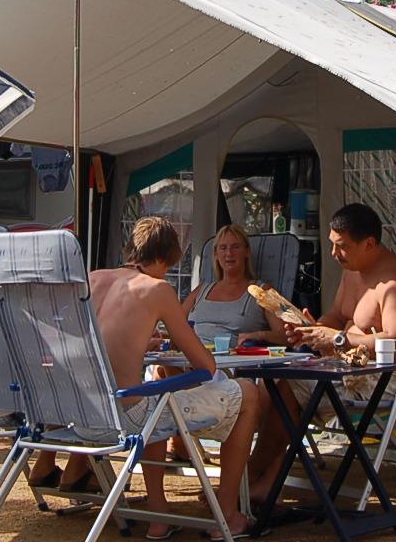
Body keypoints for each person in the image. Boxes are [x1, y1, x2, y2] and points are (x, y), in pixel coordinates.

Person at [28, 216, 263, 540]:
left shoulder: (93, 279)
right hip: (128, 418)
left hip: (82, 416)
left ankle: (159, 516)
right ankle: (228, 515)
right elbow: (205, 365)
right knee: (247, 393)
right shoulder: (157, 289)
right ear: (165, 258)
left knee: (153, 395)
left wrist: (138, 342)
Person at [285, 202, 396, 360]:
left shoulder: (394, 284)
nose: (333, 252)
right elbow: (337, 316)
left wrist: (338, 339)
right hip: (341, 366)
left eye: (342, 246)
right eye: (332, 244)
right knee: (276, 372)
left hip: (382, 372)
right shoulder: (351, 270)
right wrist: (314, 331)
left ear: (369, 244)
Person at [183, 225, 287, 347]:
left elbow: (287, 335)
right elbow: (173, 325)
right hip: (191, 355)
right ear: (216, 254)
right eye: (223, 248)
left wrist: (260, 335)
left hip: (232, 357)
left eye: (235, 247)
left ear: (247, 251)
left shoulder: (263, 291)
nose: (229, 253)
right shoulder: (200, 291)